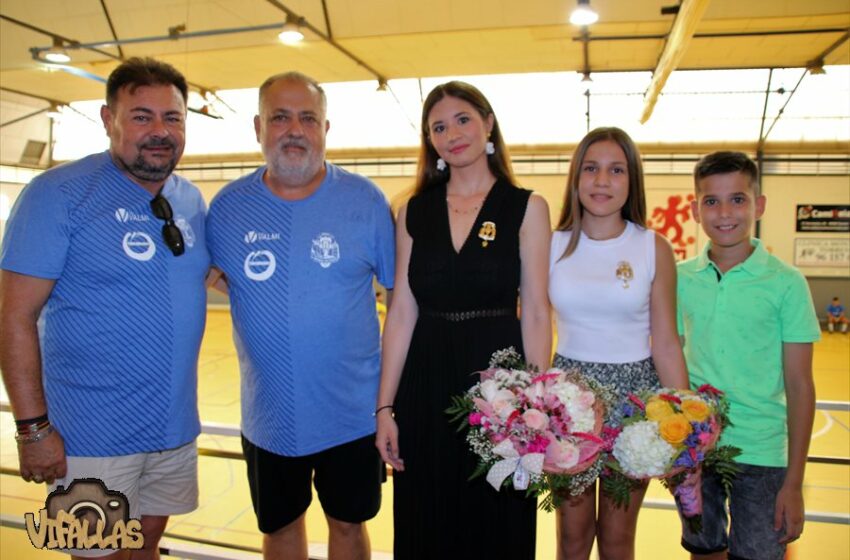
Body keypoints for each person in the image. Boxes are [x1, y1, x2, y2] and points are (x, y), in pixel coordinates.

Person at [0, 57, 208, 558]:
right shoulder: (57, 194)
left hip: (173, 431)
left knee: (148, 546)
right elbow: (12, 315)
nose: (159, 131)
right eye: (141, 116)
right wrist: (32, 429)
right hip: (87, 436)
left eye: (172, 118)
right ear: (108, 119)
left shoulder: (190, 198)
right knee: (98, 555)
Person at [205, 72, 394, 560]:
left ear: (326, 128)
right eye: (280, 117)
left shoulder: (365, 202)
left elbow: (400, 299)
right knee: (281, 530)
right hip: (269, 418)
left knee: (348, 527)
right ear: (258, 127)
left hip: (352, 415)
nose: (294, 129)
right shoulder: (228, 209)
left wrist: (391, 403)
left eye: (307, 118)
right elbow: (212, 278)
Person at [375, 81, 551, 559]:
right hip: (425, 385)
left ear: (488, 123)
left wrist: (537, 407)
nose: (452, 133)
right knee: (427, 521)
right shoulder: (412, 210)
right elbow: (403, 312)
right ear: (429, 141)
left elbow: (536, 311)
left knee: (498, 520)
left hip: (501, 387)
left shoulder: (527, 207)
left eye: (463, 120)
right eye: (438, 127)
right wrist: (385, 408)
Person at [549, 127, 689, 560]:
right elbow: (532, 321)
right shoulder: (549, 246)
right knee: (572, 537)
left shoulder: (653, 248)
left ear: (632, 182)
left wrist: (688, 419)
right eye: (591, 169)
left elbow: (665, 341)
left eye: (615, 170)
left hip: (634, 404)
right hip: (568, 400)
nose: (602, 181)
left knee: (617, 538)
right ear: (576, 178)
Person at [678, 151, 820, 560]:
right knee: (703, 550)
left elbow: (799, 384)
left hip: (762, 452)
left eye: (737, 199)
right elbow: (670, 362)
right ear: (695, 209)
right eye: (711, 201)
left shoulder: (787, 283)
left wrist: (794, 482)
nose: (725, 212)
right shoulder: (680, 279)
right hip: (696, 452)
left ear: (758, 205)